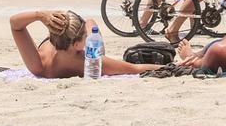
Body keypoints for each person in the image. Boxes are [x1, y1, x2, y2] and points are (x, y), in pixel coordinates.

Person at [10, 10, 161, 78]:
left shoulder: (38, 66)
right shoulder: (90, 61)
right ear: (77, 45)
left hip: (59, 38)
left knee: (91, 31)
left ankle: (85, 24)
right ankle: (88, 24)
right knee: (92, 28)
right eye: (85, 37)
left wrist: (39, 16)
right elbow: (134, 69)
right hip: (64, 39)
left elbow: (15, 25)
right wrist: (174, 68)